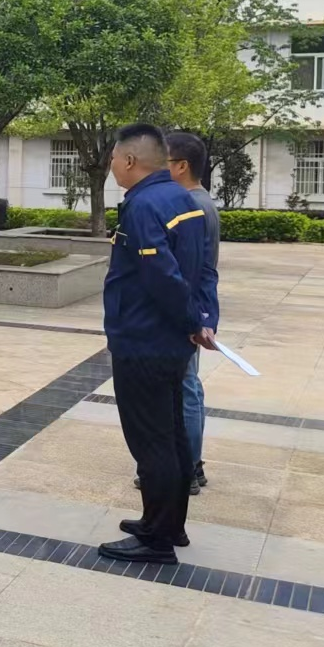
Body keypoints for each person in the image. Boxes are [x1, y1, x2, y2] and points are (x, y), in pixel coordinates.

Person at [97, 123, 213, 566]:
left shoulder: (145, 205)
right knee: (173, 435)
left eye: (113, 158)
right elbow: (202, 270)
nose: (111, 166)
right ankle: (165, 524)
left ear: (129, 160)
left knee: (152, 442)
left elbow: (163, 276)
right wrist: (202, 321)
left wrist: (191, 320)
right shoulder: (183, 199)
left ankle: (157, 540)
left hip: (144, 340)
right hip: (172, 340)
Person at [166, 130, 222, 495]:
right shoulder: (202, 202)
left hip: (185, 311)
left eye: (164, 161)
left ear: (182, 166)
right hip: (193, 309)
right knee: (189, 388)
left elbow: (196, 271)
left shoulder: (191, 206)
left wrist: (195, 317)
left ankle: (186, 468)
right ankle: (192, 464)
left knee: (185, 389)